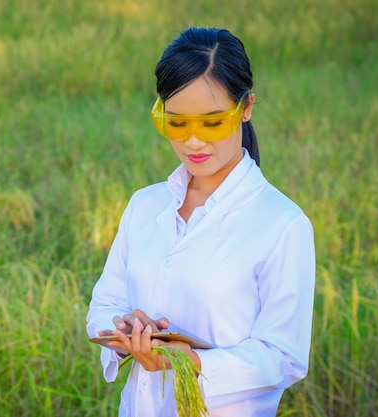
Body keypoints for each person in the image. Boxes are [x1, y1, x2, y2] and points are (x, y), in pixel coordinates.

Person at [86, 27, 315, 417]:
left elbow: (283, 355)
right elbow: (103, 304)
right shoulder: (145, 205)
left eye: (211, 123)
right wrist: (123, 327)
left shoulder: (282, 224)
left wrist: (193, 363)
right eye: (176, 123)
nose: (192, 142)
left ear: (246, 108)